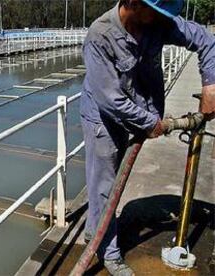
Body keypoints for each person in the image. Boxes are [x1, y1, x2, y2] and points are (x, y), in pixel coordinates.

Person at [80, 0, 215, 275]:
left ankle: (95, 229)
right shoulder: (100, 35)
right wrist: (152, 123)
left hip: (138, 110)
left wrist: (211, 83)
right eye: (156, 10)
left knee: (108, 185)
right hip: (102, 117)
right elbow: (112, 101)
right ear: (132, 2)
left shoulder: (157, 22)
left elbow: (205, 39)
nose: (163, 18)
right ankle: (109, 251)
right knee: (104, 184)